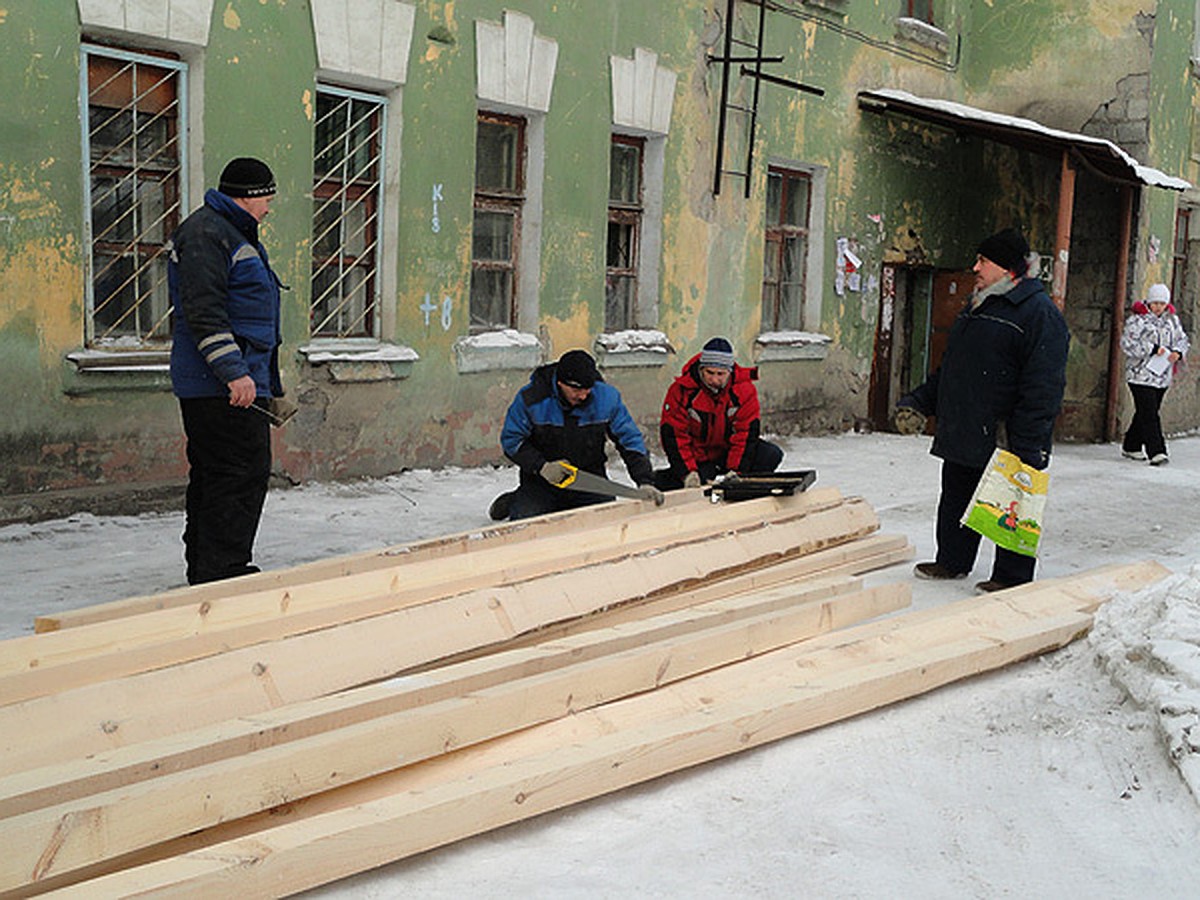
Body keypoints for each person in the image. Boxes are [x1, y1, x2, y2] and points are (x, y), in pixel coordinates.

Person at [893, 227, 1070, 594]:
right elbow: (954, 370)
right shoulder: (979, 304)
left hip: (1007, 432)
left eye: (983, 261)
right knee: (957, 494)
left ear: (1007, 269)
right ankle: (952, 560)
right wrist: (919, 401)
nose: (975, 268)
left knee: (1011, 503)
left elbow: (1044, 385)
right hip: (965, 426)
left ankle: (1011, 576)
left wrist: (1030, 439)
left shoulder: (1038, 314)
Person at [168, 157, 285, 584]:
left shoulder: (229, 231)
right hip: (219, 386)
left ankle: (210, 569)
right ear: (249, 197)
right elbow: (204, 311)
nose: (269, 209)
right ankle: (223, 573)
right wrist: (235, 372)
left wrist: (264, 380)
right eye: (267, 199)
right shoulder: (207, 233)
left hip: (234, 382)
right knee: (237, 475)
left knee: (221, 475)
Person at [488, 349, 665, 520]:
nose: (583, 396)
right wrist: (542, 466)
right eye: (576, 390)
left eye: (587, 389)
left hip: (589, 481)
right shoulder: (532, 399)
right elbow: (511, 441)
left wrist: (645, 481)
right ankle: (514, 501)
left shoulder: (607, 398)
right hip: (542, 481)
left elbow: (630, 440)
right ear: (560, 383)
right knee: (527, 522)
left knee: (605, 522)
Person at [656, 336, 784, 489]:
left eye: (720, 374)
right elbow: (674, 436)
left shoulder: (744, 390)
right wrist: (688, 472)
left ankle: (746, 492)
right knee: (685, 483)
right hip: (698, 456)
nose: (714, 379)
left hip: (727, 452)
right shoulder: (681, 391)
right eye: (710, 372)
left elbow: (745, 434)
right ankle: (659, 480)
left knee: (770, 455)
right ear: (701, 369)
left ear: (729, 372)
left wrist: (736, 471)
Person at [1120, 283, 1189, 466]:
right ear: (1149, 302)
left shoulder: (1172, 321)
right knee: (1149, 412)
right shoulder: (1137, 320)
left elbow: (1182, 340)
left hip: (1161, 374)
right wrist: (1152, 349)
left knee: (1146, 411)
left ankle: (1131, 445)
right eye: (1155, 303)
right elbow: (1127, 344)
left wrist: (1178, 352)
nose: (1158, 307)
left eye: (1162, 303)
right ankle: (1157, 451)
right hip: (1139, 374)